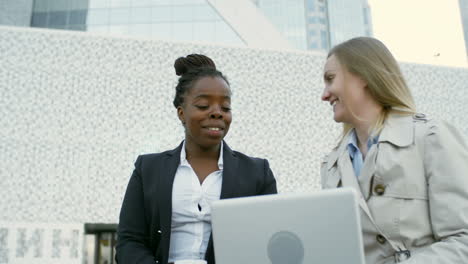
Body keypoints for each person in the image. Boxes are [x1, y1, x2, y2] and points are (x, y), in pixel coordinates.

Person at [115, 54, 277, 264]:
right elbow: (129, 241)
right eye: (203, 105)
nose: (217, 113)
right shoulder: (147, 169)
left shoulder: (257, 172)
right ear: (181, 113)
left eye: (225, 107)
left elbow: (267, 240)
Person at [320, 37, 468, 264]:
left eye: (330, 79)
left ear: (363, 76)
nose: (324, 94)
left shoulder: (431, 137)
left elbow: (463, 240)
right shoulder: (331, 166)